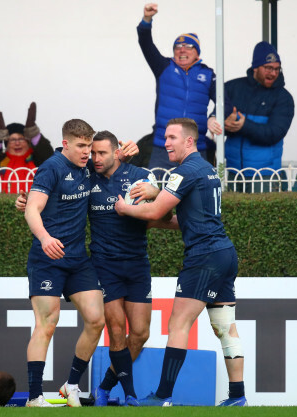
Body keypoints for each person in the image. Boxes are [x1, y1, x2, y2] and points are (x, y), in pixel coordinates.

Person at [17, 132, 175, 407]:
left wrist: (155, 190)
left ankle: (94, 386)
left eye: (100, 152)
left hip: (134, 263)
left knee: (137, 333)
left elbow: (161, 212)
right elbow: (45, 195)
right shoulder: (85, 174)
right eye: (91, 152)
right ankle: (128, 395)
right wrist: (26, 201)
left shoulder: (136, 174)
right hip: (102, 264)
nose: (94, 157)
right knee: (107, 328)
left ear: (117, 152)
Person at [114, 118, 247, 407]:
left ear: (189, 141)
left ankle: (162, 396)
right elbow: (183, 220)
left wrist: (126, 209)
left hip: (204, 257)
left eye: (172, 137)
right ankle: (238, 397)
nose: (166, 142)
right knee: (225, 327)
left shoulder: (184, 171)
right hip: (224, 254)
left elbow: (155, 211)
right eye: (165, 137)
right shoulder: (206, 169)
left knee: (178, 324)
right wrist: (154, 213)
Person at [22, 119, 105, 407]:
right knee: (47, 323)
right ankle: (34, 397)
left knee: (96, 320)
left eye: (89, 146)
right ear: (66, 144)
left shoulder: (88, 168)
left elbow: (114, 156)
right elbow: (32, 208)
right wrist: (45, 238)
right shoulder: (51, 167)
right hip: (47, 259)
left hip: (77, 260)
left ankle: (71, 385)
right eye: (81, 146)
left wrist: (127, 150)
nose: (87, 152)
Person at [137, 3, 227, 174]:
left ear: (197, 52)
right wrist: (147, 20)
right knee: (154, 192)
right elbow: (145, 43)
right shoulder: (163, 67)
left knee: (196, 195)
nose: (182, 50)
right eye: (178, 47)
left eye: (188, 46)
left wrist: (213, 117)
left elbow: (225, 102)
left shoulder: (208, 74)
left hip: (195, 148)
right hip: (163, 147)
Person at [209, 41, 294, 192]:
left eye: (277, 69)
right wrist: (213, 119)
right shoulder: (232, 87)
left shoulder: (284, 98)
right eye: (268, 68)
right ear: (255, 67)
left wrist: (243, 125)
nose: (273, 73)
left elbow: (274, 133)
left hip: (266, 176)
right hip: (233, 173)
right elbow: (219, 117)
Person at [0, 102, 54, 193]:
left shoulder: (36, 158)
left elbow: (48, 157)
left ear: (28, 142)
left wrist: (33, 132)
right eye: (13, 140)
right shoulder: (1, 160)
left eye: (21, 139)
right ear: (6, 144)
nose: (17, 143)